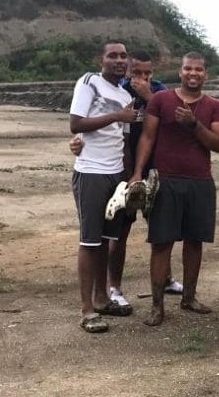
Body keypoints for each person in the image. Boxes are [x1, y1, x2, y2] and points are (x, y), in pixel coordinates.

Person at [69, 51, 183, 313]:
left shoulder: (157, 92)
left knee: (161, 229)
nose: (143, 78)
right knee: (115, 235)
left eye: (148, 73)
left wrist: (147, 95)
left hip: (149, 168)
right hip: (115, 170)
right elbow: (82, 124)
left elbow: (172, 122)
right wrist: (79, 144)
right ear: (128, 72)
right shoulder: (107, 88)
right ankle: (112, 289)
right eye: (137, 73)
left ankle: (163, 279)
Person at [128, 51, 219, 326]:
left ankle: (189, 297)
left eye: (198, 69)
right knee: (161, 243)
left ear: (205, 74)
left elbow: (217, 144)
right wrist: (137, 173)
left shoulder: (213, 106)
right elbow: (147, 137)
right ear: (179, 72)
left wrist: (194, 124)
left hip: (200, 181)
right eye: (188, 69)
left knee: (195, 243)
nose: (193, 74)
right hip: (166, 180)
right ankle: (157, 307)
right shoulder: (161, 100)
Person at [69, 41, 136, 333]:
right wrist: (117, 116)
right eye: (113, 56)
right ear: (102, 59)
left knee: (107, 241)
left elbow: (123, 140)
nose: (119, 60)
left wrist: (131, 176)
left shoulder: (125, 94)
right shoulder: (89, 82)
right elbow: (76, 124)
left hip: (115, 174)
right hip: (91, 172)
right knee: (90, 241)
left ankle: (101, 298)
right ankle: (86, 310)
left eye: (123, 56)